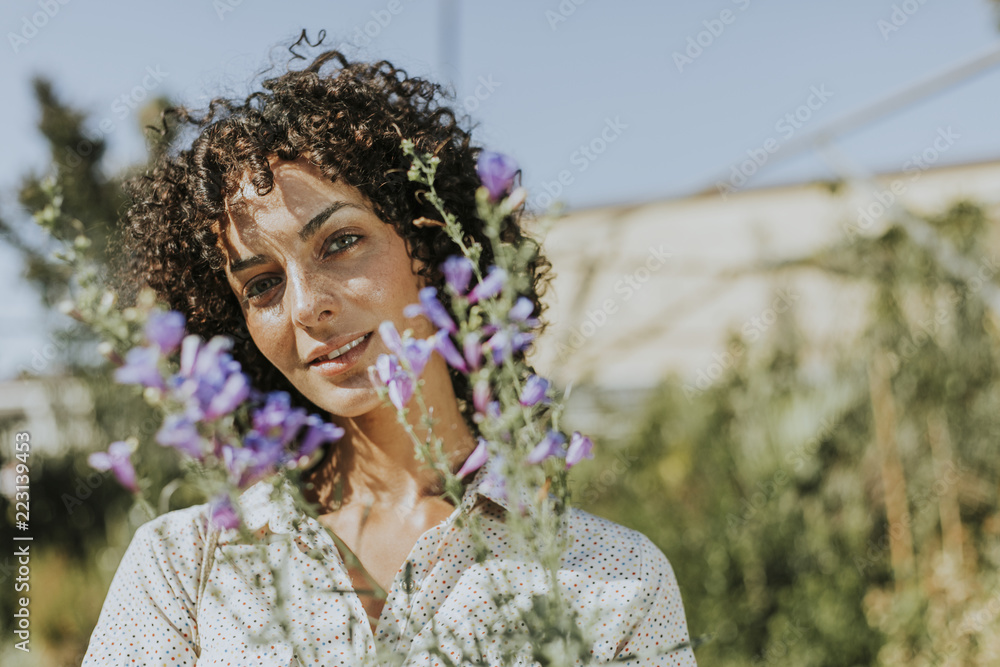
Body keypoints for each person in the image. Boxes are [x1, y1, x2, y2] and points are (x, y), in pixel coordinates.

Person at [82, 43, 697, 666]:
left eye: (341, 241)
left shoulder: (615, 578)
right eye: (262, 283)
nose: (304, 307)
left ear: (429, 246)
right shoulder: (184, 566)